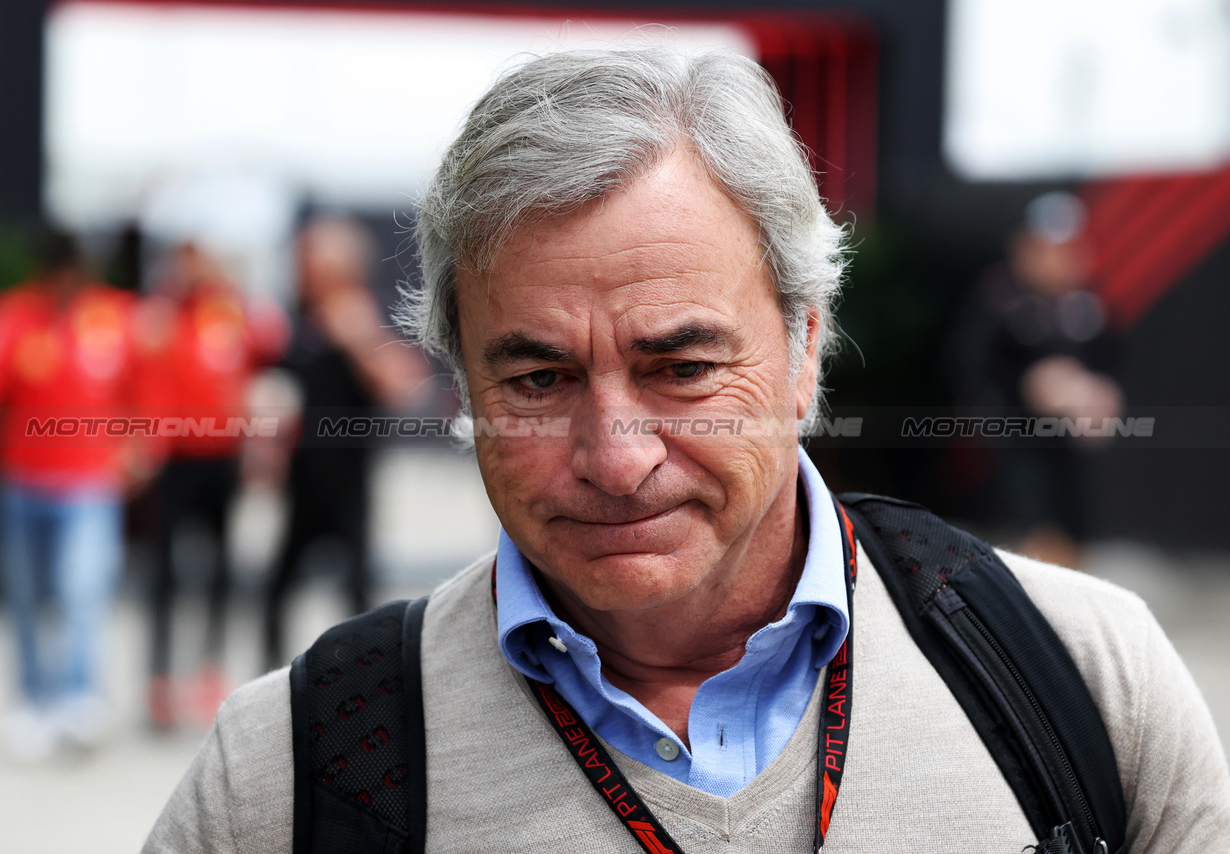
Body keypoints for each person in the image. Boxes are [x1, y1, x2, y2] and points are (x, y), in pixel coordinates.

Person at [144, 48, 1229, 852]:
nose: (616, 457)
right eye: (536, 380)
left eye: (683, 368)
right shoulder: (292, 766)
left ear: (805, 346)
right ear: (460, 375)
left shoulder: (1085, 679)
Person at [0, 230, 147, 759]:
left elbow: (144, 384)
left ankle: (79, 698)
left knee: (81, 589)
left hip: (89, 482)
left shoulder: (113, 316)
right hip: (23, 482)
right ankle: (33, 700)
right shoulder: (11, 316)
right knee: (25, 595)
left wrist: (140, 438)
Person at [260, 217, 427, 670]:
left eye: (311, 261)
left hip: (349, 478)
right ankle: (273, 678)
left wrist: (360, 339)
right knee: (278, 586)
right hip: (302, 477)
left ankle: (363, 676)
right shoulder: (297, 324)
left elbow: (407, 388)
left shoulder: (364, 317)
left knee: (356, 588)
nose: (302, 271)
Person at [138, 242, 288, 730]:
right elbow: (140, 368)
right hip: (174, 459)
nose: (193, 271)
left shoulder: (230, 310)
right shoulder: (161, 315)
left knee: (222, 568)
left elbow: (270, 346)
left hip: (221, 457)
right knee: (164, 570)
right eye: (185, 262)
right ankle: (159, 677)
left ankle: (209, 669)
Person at [945, 192, 1123, 567]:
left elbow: (1110, 368)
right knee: (1035, 540)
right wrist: (1030, 388)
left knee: (1073, 537)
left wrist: (1097, 395)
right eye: (1048, 249)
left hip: (1074, 458)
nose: (1060, 261)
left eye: (1068, 249)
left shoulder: (1087, 308)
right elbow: (970, 373)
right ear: (1025, 248)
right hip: (1015, 453)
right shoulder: (998, 302)